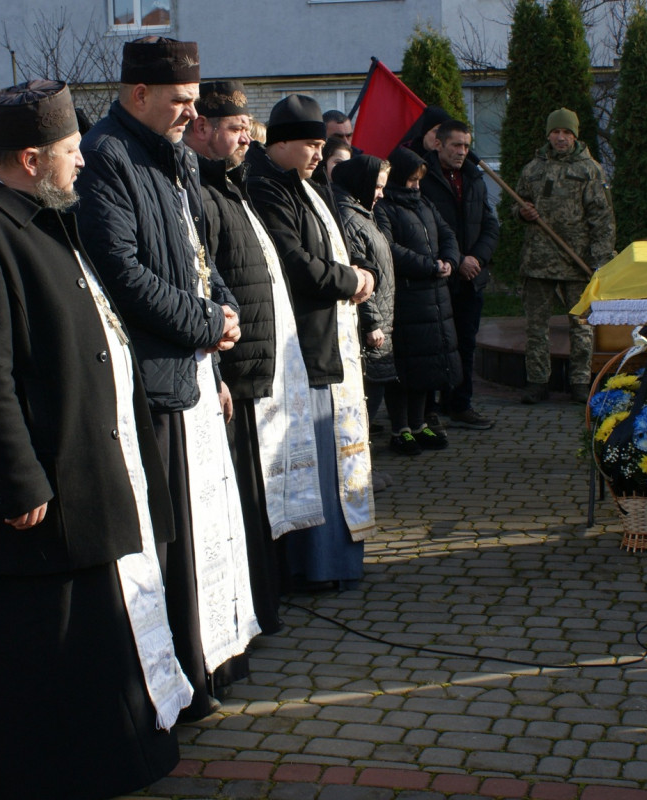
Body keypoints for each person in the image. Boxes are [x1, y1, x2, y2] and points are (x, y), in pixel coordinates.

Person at [0, 79, 187, 799]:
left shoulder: (50, 217)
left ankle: (112, 759)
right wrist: (20, 478)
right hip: (43, 486)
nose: (84, 163)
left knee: (94, 642)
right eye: (73, 151)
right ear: (33, 158)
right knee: (44, 649)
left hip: (91, 467)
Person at [77, 37, 253, 722]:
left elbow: (196, 252)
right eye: (180, 101)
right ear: (138, 94)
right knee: (171, 539)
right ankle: (175, 674)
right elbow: (120, 271)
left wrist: (225, 308)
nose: (191, 112)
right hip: (154, 382)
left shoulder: (175, 154)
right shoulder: (107, 156)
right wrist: (204, 323)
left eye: (194, 98)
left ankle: (209, 657)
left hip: (193, 368)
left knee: (206, 527)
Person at [185, 79, 322, 635]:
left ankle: (267, 599)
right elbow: (203, 283)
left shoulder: (232, 185)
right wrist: (218, 369)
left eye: (248, 129)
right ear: (204, 129)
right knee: (240, 499)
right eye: (238, 129)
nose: (248, 139)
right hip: (234, 374)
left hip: (257, 367)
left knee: (257, 496)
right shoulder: (200, 190)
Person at [246, 93, 377, 590]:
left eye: (321, 145)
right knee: (312, 463)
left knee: (333, 458)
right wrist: (352, 281)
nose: (319, 154)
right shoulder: (267, 188)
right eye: (309, 144)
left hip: (327, 341)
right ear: (279, 143)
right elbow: (295, 263)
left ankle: (335, 564)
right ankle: (312, 567)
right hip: (300, 349)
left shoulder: (302, 183)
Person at [515, 108, 616, 404]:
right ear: (548, 134)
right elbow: (518, 203)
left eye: (567, 133)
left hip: (577, 261)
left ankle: (581, 382)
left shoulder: (590, 170)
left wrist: (599, 261)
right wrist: (522, 212)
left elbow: (603, 218)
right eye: (556, 132)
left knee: (582, 326)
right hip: (538, 260)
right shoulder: (533, 169)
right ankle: (537, 381)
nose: (561, 138)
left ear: (575, 135)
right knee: (536, 326)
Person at [376, 147, 461, 455]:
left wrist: (450, 259)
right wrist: (429, 266)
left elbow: (447, 233)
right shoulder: (384, 207)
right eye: (410, 180)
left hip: (433, 298)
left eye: (418, 180)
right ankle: (400, 429)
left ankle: (419, 423)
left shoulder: (424, 203)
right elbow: (389, 248)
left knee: (426, 365)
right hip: (406, 298)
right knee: (404, 368)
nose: (415, 186)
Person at [420, 119, 500, 429]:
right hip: (439, 277)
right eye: (456, 145)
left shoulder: (474, 179)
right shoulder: (423, 178)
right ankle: (427, 409)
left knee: (466, 343)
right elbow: (423, 229)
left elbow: (489, 224)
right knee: (434, 344)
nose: (462, 151)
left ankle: (460, 404)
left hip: (470, 279)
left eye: (466, 146)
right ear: (438, 143)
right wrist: (456, 259)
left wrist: (476, 258)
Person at [331, 156, 395, 440]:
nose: (381, 194)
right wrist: (372, 323)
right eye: (377, 187)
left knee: (374, 395)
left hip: (381, 318)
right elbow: (359, 273)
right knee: (366, 397)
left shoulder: (362, 213)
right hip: (371, 327)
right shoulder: (350, 218)